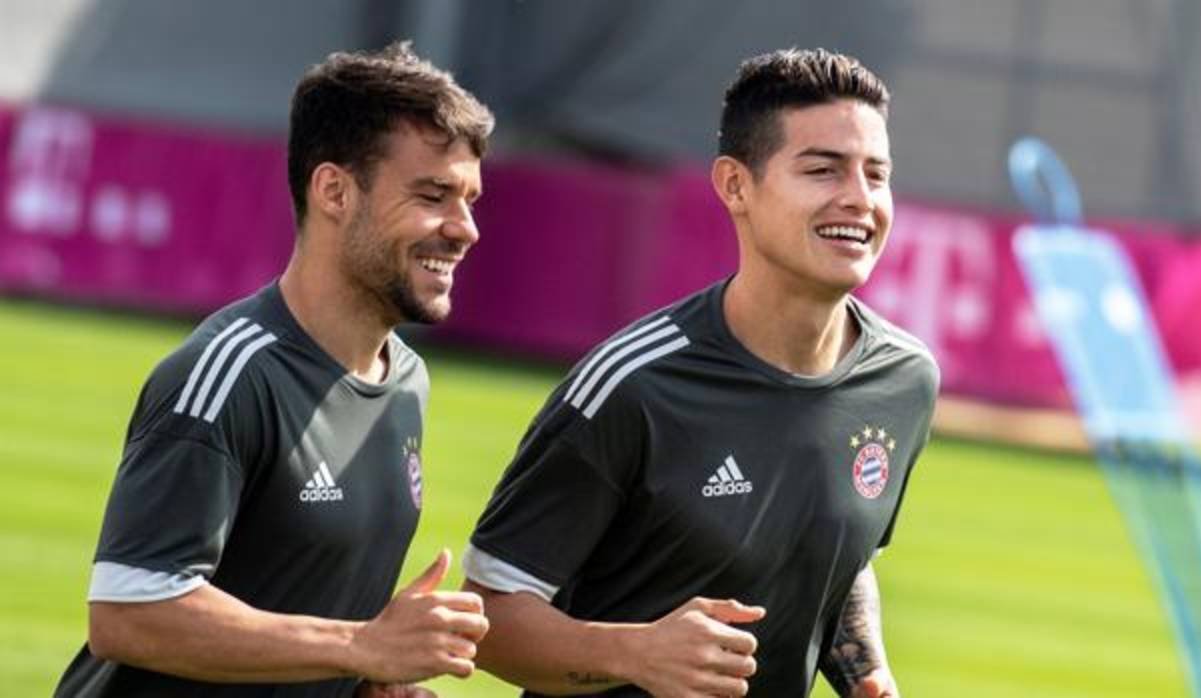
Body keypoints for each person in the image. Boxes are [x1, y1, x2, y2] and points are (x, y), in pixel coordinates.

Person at [461, 48, 939, 697]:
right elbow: (487, 615)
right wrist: (637, 655)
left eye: (875, 175)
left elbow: (842, 556)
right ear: (735, 186)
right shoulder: (632, 385)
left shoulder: (904, 381)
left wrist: (866, 673)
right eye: (824, 170)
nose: (859, 200)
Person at [54, 41, 493, 698]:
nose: (465, 229)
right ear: (335, 191)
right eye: (433, 194)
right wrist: (362, 645)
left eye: (469, 199)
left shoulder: (406, 381)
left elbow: (298, 610)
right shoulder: (227, 376)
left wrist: (364, 679)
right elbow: (131, 613)